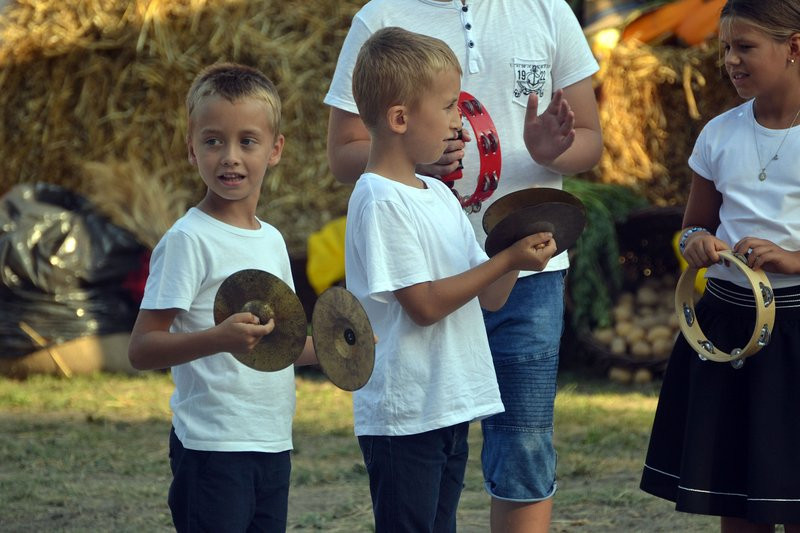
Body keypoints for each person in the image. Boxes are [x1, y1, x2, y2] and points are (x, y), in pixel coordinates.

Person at [324, 2, 603, 531]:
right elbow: (424, 305)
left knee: (519, 448)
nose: (462, 122)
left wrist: (524, 244)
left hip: (465, 359)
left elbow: (493, 294)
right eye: (452, 107)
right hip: (409, 403)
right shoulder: (383, 198)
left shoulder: (547, 10)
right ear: (401, 119)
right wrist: (508, 256)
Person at [127, 62, 317, 533]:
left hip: (272, 444)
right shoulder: (188, 240)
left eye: (247, 141)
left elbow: (280, 344)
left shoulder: (272, 240)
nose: (230, 156)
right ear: (192, 150)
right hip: (212, 449)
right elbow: (142, 348)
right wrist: (218, 338)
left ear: (275, 150)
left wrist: (343, 349)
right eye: (214, 141)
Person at [640, 1, 800, 531]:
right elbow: (691, 229)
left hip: (798, 327)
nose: (730, 60)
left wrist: (792, 260)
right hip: (730, 325)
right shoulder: (718, 134)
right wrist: (698, 244)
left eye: (745, 47)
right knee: (738, 495)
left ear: (794, 47)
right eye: (725, 48)